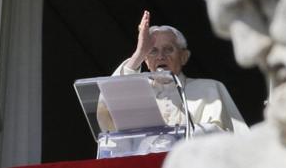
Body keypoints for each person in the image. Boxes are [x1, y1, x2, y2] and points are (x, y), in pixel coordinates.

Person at [97, 10, 249, 136]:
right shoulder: (136, 94)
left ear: (184, 57)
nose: (161, 56)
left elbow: (225, 137)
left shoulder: (209, 88)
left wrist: (177, 136)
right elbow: (107, 104)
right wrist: (139, 52)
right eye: (153, 51)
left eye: (169, 49)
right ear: (146, 61)